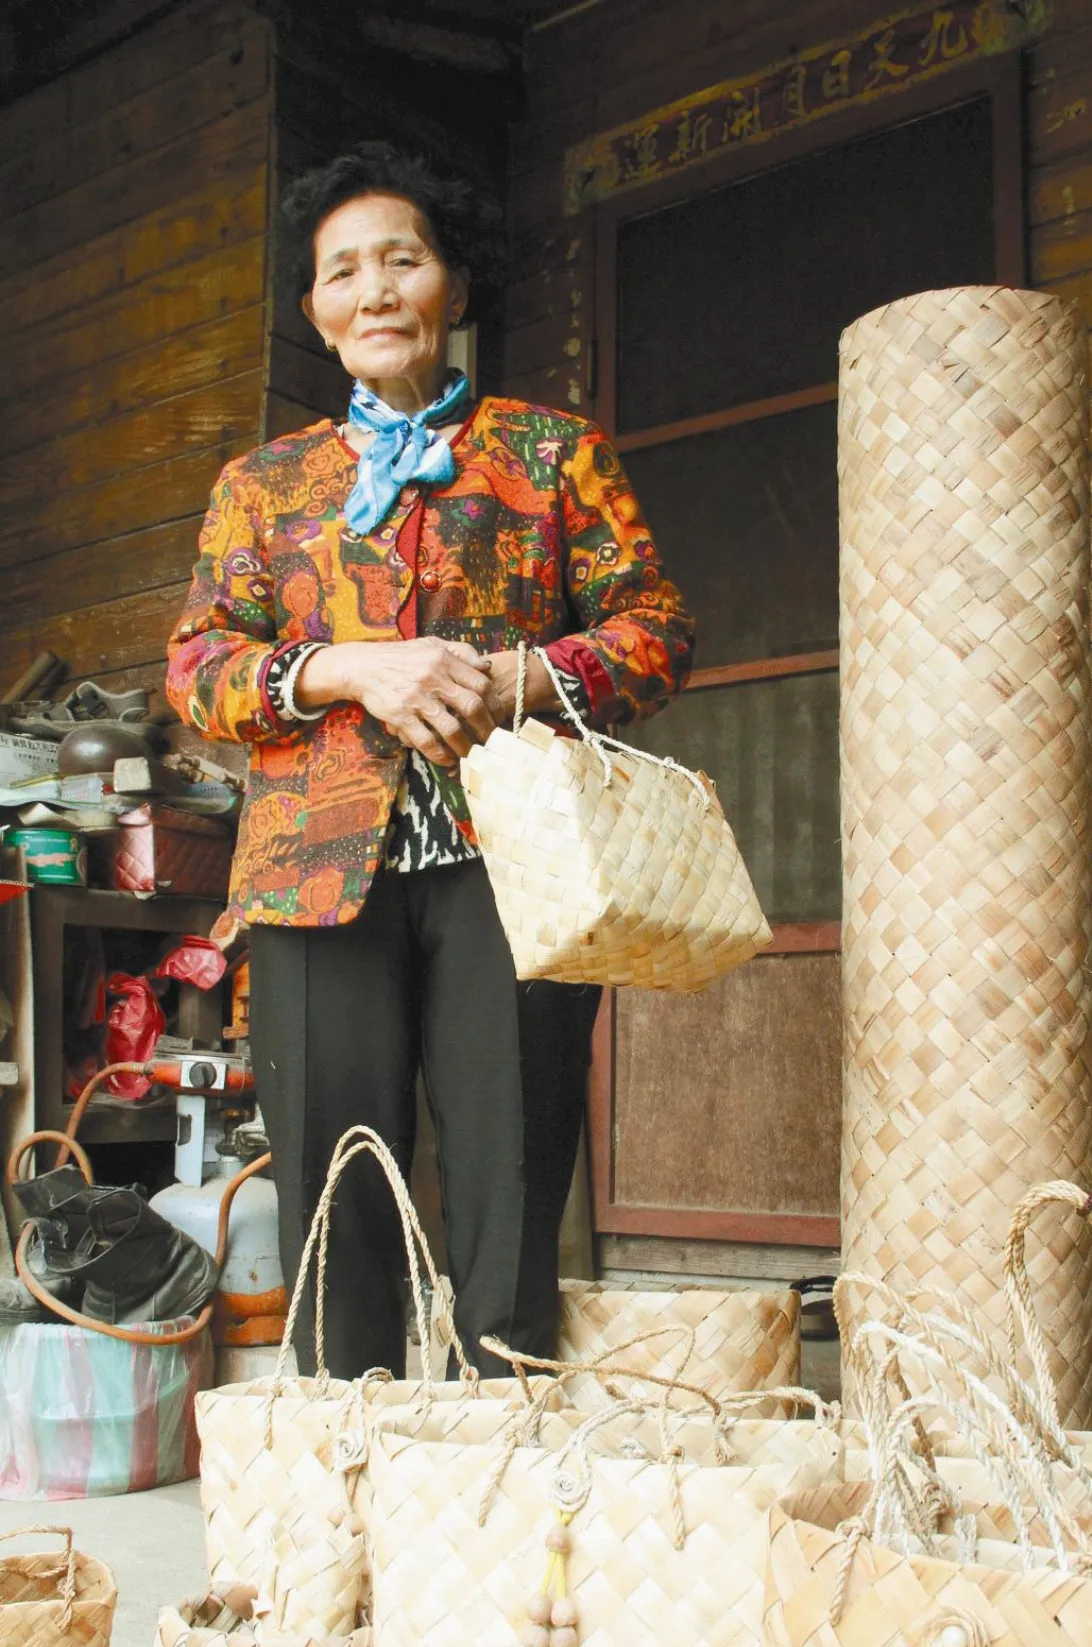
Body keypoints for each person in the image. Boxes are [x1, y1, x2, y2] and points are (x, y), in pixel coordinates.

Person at [166, 142, 694, 1380]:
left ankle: (500, 1494)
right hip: (313, 868)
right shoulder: (261, 484)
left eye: (402, 259)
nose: (374, 290)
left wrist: (510, 676)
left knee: (509, 1169)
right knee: (333, 1180)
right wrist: (348, 668)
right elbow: (196, 671)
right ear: (316, 311)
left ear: (452, 281)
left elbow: (660, 634)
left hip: (509, 860)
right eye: (342, 272)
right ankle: (355, 1464)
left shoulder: (550, 451)